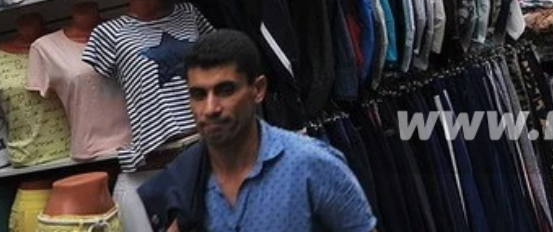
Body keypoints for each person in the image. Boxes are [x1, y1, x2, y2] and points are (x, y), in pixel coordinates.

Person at [139, 29, 376, 232]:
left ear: (258, 90)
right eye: (199, 95)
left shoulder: (311, 165)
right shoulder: (186, 180)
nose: (210, 108)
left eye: (225, 90)